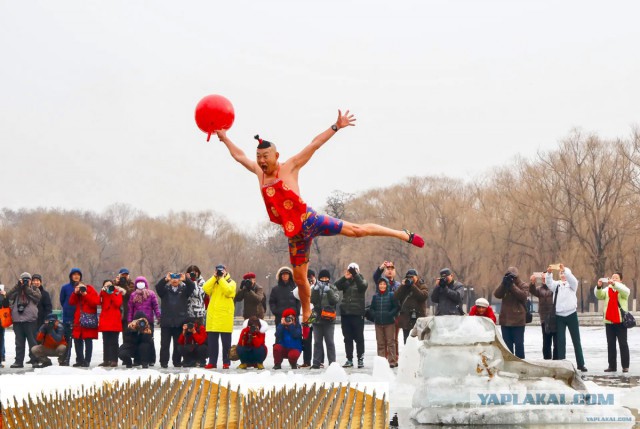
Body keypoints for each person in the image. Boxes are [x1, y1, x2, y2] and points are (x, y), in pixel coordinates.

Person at [213, 110, 424, 322]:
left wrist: (336, 126)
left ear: (276, 156)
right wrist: (224, 138)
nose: (261, 161)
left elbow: (314, 145)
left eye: (265, 157)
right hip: (294, 234)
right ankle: (307, 311)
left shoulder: (290, 166)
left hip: (310, 221)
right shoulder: (259, 173)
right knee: (299, 278)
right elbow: (239, 156)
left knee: (357, 231)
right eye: (258, 157)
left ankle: (401, 233)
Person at [544, 264, 587, 372]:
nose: (563, 275)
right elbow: (549, 283)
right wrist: (549, 273)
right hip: (559, 316)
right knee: (561, 341)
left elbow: (573, 279)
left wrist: (565, 270)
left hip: (571, 314)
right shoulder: (556, 285)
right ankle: (562, 362)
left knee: (576, 340)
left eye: (564, 273)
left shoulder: (572, 284)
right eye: (561, 273)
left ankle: (580, 363)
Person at [156, 271, 196, 368]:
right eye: (172, 278)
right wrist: (165, 279)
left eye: (176, 278)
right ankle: (164, 362)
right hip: (166, 322)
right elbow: (158, 287)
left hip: (179, 322)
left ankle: (177, 361)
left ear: (179, 280)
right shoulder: (165, 290)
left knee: (177, 344)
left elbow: (192, 287)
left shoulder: (184, 290)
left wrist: (186, 279)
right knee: (164, 344)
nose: (174, 280)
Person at [594, 272, 630, 373]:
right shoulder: (607, 289)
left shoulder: (623, 289)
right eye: (613, 278)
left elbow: (626, 292)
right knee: (611, 344)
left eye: (616, 278)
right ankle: (612, 366)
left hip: (620, 321)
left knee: (623, 344)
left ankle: (625, 366)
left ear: (621, 280)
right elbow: (599, 295)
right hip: (609, 321)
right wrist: (599, 286)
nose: (614, 279)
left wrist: (615, 285)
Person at [335, 263, 368, 369]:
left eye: (354, 271)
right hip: (346, 314)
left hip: (357, 314)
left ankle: (360, 359)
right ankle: (349, 359)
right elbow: (335, 286)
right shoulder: (346, 282)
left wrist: (356, 274)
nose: (352, 273)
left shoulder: (362, 281)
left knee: (359, 338)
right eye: (351, 270)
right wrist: (345, 277)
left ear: (358, 271)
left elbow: (362, 286)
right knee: (347, 338)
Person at [203, 264, 236, 370]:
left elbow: (229, 292)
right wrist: (214, 278)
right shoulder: (214, 282)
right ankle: (212, 362)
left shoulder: (231, 282)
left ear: (226, 271)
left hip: (225, 317)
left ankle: (226, 362)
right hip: (213, 317)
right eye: (218, 270)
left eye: (222, 270)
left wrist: (221, 279)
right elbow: (205, 288)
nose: (220, 272)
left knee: (226, 343)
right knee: (212, 343)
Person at [7, 272, 41, 368]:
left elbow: (37, 297)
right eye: (24, 280)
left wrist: (26, 288)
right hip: (17, 321)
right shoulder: (17, 290)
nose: (26, 281)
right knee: (19, 343)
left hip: (30, 321)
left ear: (31, 281)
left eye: (28, 280)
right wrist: (17, 286)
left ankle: (35, 361)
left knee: (33, 343)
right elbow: (8, 296)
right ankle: (18, 361)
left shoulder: (35, 289)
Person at [494, 267, 528, 359]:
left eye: (514, 277)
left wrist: (512, 285)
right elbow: (497, 294)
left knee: (519, 344)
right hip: (505, 320)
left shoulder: (523, 285)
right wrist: (503, 283)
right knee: (507, 345)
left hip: (518, 321)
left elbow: (523, 296)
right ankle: (509, 362)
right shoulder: (505, 285)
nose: (512, 279)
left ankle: (521, 362)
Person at [310, 269, 339, 369]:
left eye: (326, 278)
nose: (324, 280)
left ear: (329, 279)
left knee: (330, 342)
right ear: (319, 279)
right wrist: (315, 290)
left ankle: (332, 363)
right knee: (317, 342)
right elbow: (312, 300)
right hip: (317, 319)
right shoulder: (315, 288)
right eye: (322, 278)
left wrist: (329, 291)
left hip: (329, 319)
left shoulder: (333, 287)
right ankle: (316, 363)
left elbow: (335, 300)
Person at [127, 276, 160, 366]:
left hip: (148, 321)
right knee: (137, 340)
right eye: (138, 282)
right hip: (136, 322)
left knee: (149, 341)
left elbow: (156, 307)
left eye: (142, 282)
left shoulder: (151, 294)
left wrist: (159, 317)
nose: (140, 283)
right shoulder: (133, 295)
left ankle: (151, 359)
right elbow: (130, 309)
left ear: (145, 284)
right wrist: (130, 321)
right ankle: (137, 359)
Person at [373, 261, 402, 361]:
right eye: (387, 269)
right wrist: (381, 267)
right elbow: (376, 277)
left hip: (395, 315)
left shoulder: (398, 285)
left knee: (394, 339)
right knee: (382, 340)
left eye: (391, 269)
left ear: (394, 271)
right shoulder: (381, 282)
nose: (389, 271)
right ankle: (384, 358)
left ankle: (394, 357)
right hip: (383, 315)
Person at [69, 280, 100, 367]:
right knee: (77, 340)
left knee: (88, 340)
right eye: (78, 287)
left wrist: (85, 294)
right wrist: (75, 293)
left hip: (88, 319)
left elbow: (95, 302)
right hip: (78, 320)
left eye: (81, 286)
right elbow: (71, 302)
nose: (81, 289)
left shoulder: (91, 290)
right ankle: (80, 360)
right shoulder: (77, 294)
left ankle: (87, 360)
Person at [371, 277, 399, 368]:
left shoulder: (391, 295)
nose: (382, 286)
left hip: (389, 323)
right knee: (380, 343)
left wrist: (390, 314)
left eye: (384, 284)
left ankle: (392, 361)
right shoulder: (375, 297)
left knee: (391, 342)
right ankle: (381, 361)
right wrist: (375, 315)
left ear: (387, 285)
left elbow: (397, 307)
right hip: (378, 323)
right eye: (380, 284)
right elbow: (371, 309)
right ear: (378, 285)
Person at [394, 269, 429, 344]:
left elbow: (423, 296)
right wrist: (402, 286)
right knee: (406, 342)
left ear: (417, 277)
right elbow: (396, 296)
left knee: (419, 342)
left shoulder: (422, 285)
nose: (410, 279)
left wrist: (413, 286)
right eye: (408, 277)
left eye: (412, 277)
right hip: (406, 318)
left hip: (418, 317)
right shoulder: (404, 287)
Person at [98, 280, 126, 367]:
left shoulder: (117, 292)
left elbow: (118, 303)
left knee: (114, 341)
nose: (109, 287)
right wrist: (102, 292)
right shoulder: (103, 293)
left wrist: (111, 293)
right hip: (105, 319)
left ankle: (114, 360)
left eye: (110, 285)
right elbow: (98, 302)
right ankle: (106, 360)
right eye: (106, 285)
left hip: (114, 320)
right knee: (105, 341)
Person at [529, 275, 557, 360]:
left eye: (545, 278)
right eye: (543, 278)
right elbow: (532, 290)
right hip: (544, 319)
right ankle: (547, 359)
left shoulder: (554, 288)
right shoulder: (539, 289)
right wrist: (532, 283)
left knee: (557, 341)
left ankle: (557, 359)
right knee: (546, 341)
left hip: (555, 317)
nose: (544, 280)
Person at [59, 267, 82, 366]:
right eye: (74, 274)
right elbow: (62, 300)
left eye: (78, 274)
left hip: (79, 317)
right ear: (71, 276)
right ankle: (65, 359)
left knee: (78, 340)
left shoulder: (83, 287)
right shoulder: (65, 288)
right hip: (68, 317)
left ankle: (80, 359)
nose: (76, 276)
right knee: (67, 340)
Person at [31, 274, 52, 339]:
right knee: (32, 340)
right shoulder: (29, 293)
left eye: (37, 280)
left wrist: (46, 319)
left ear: (40, 282)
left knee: (41, 339)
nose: (35, 282)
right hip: (31, 320)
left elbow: (48, 308)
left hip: (41, 320)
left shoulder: (45, 294)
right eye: (34, 280)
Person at [0, 283, 9, 368]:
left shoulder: (2, 294)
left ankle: (1, 356)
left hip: (1, 321)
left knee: (1, 339)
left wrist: (5, 295)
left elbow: (6, 305)